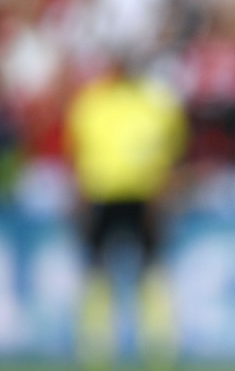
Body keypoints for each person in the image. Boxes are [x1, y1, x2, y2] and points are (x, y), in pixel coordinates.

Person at [64, 52, 188, 369]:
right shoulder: (94, 102)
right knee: (100, 272)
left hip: (142, 196)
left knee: (149, 271)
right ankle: (96, 348)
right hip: (102, 194)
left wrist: (165, 193)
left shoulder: (153, 102)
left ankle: (159, 347)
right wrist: (78, 195)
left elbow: (173, 155)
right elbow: (78, 155)